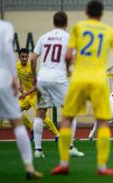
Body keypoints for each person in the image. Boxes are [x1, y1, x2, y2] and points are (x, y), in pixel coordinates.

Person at [51, 0, 113, 176]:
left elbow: (68, 55)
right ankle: (101, 166)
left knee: (67, 118)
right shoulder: (109, 31)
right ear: (102, 13)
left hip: (78, 79)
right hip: (99, 81)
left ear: (86, 12)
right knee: (103, 122)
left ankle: (63, 164)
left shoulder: (78, 27)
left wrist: (69, 69)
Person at [0, 0, 42, 179]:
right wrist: (13, 78)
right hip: (0, 81)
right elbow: (7, 53)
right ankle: (29, 167)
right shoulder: (4, 27)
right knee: (17, 124)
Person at [30, 11, 83, 158]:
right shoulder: (69, 38)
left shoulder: (44, 37)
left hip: (43, 78)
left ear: (53, 23)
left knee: (40, 113)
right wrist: (69, 70)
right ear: (66, 23)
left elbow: (33, 59)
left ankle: (38, 150)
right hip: (59, 79)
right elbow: (73, 58)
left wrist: (34, 78)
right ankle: (70, 147)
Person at [16, 48, 59, 141]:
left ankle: (57, 134)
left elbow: (37, 86)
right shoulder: (17, 65)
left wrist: (25, 93)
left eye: (26, 56)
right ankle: (32, 128)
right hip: (27, 95)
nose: (24, 59)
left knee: (43, 116)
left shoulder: (32, 68)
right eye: (22, 57)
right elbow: (20, 77)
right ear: (19, 57)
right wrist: (20, 85)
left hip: (36, 94)